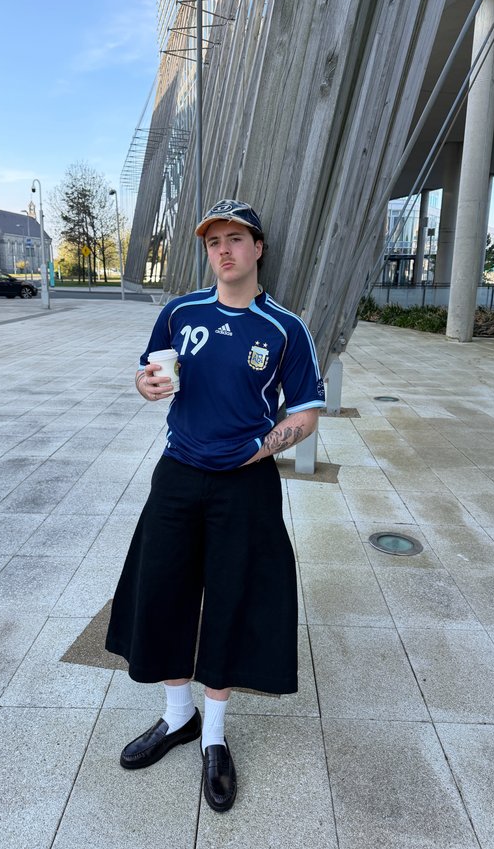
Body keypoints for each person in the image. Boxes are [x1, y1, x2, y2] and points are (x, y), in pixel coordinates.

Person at [105, 199, 325, 813]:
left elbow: (305, 413)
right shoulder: (180, 313)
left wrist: (259, 450)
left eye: (235, 239)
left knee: (232, 600)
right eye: (213, 242)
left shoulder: (285, 327)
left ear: (257, 249)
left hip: (245, 484)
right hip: (178, 474)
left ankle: (217, 737)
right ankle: (180, 719)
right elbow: (149, 376)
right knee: (165, 591)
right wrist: (146, 385)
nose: (223, 250)